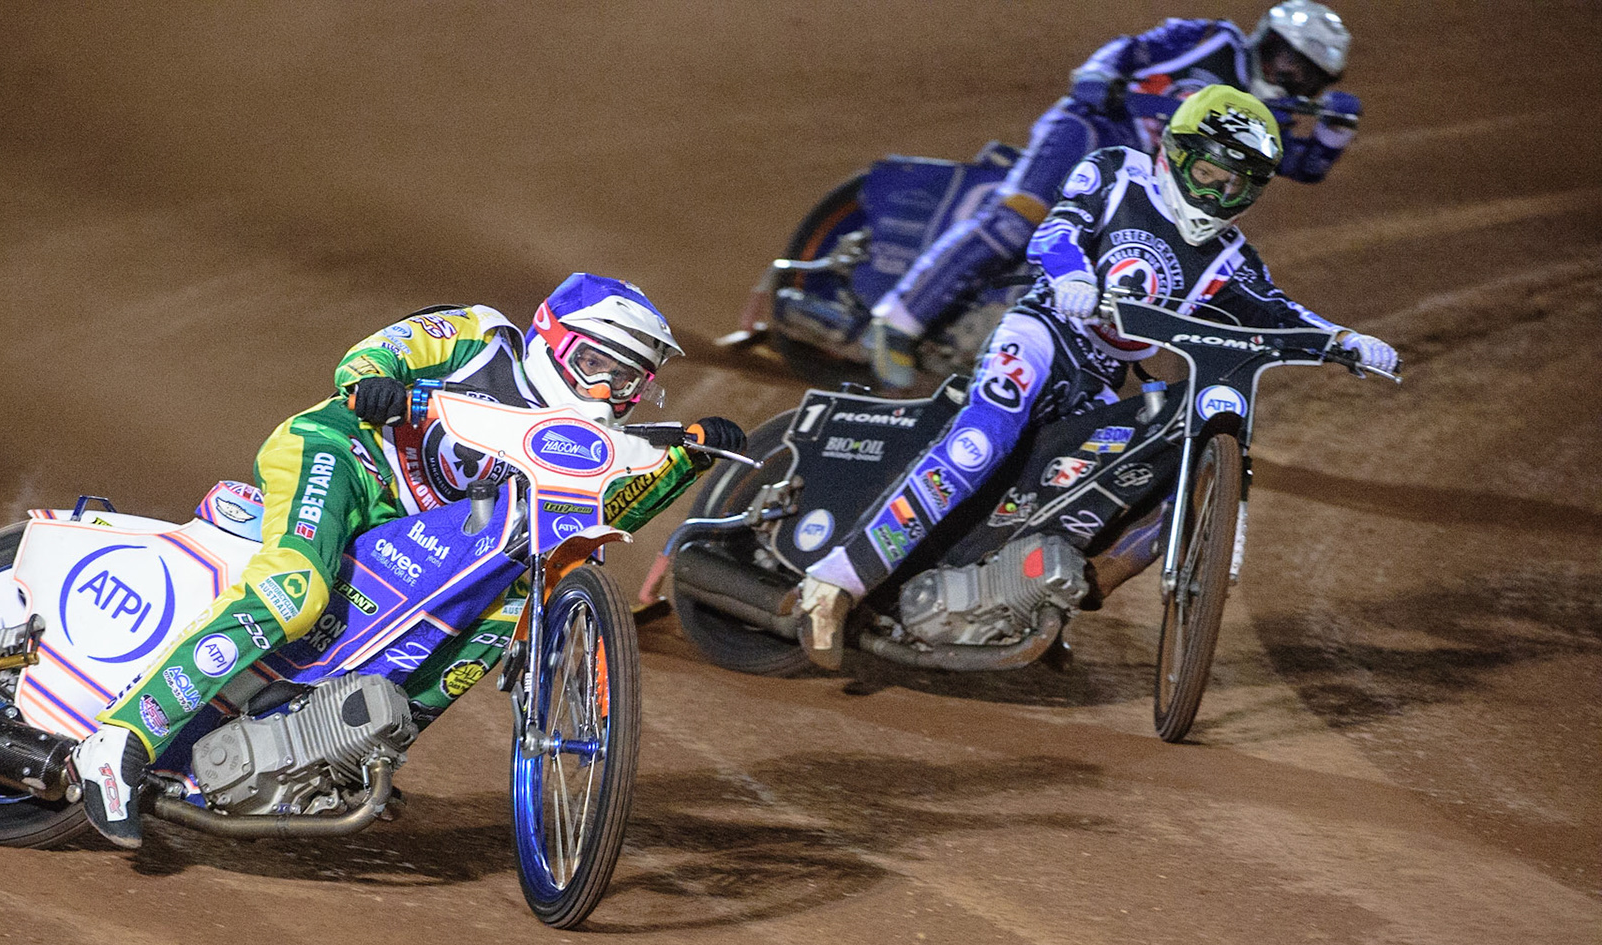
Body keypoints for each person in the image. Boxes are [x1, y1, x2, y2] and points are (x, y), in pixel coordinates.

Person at [70, 274, 746, 846]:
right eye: (598, 365)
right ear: (552, 338)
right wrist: (373, 385)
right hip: (347, 457)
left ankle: (343, 756)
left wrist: (684, 459)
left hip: (420, 537)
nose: (608, 392)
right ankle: (120, 742)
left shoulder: (585, 441)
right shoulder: (483, 336)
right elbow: (375, 355)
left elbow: (600, 517)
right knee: (295, 592)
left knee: (501, 610)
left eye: (628, 380)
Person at [797, 86, 1397, 667]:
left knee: (1105, 491)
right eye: (1208, 173)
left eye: (1235, 184)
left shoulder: (1232, 259)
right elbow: (1058, 229)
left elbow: (1280, 311)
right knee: (981, 442)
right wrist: (1072, 274)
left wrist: (1342, 341)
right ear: (1176, 153)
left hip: (1101, 377)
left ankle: (1028, 599)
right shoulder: (1117, 172)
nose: (1217, 193)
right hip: (1042, 334)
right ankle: (835, 582)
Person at [867, 1, 1363, 390]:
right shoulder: (1211, 40)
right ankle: (898, 321)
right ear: (1266, 42)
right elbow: (1129, 51)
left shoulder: (1263, 115)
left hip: (1137, 177)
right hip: (1092, 131)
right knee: (1019, 221)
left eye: (1308, 75)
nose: (1290, 77)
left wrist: (1334, 132)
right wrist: (1099, 77)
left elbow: (1298, 165)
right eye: (1287, 60)